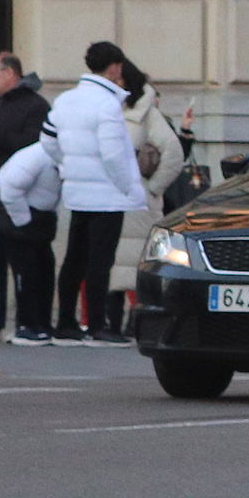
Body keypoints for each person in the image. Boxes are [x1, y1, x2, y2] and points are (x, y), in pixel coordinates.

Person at [47, 41, 145, 344]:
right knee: (101, 262)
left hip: (77, 192)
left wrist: (69, 166)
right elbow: (114, 154)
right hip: (107, 194)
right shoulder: (107, 105)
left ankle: (66, 321)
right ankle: (98, 325)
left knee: (74, 258)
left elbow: (48, 140)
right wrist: (128, 187)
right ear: (114, 67)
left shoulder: (65, 100)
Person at [0, 50, 51, 343]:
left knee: (24, 265)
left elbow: (33, 146)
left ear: (10, 74)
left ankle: (27, 323)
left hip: (19, 198)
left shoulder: (35, 106)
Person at [106, 58, 187, 335]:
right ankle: (109, 326)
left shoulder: (147, 115)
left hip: (137, 205)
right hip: (110, 200)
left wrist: (153, 188)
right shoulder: (109, 109)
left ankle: (131, 325)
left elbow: (174, 153)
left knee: (133, 265)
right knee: (111, 264)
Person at [0, 136, 62, 344]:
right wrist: (24, 222)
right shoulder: (36, 156)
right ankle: (26, 324)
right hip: (18, 214)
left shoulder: (60, 156)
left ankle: (42, 322)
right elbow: (10, 189)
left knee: (46, 268)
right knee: (26, 271)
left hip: (38, 215)